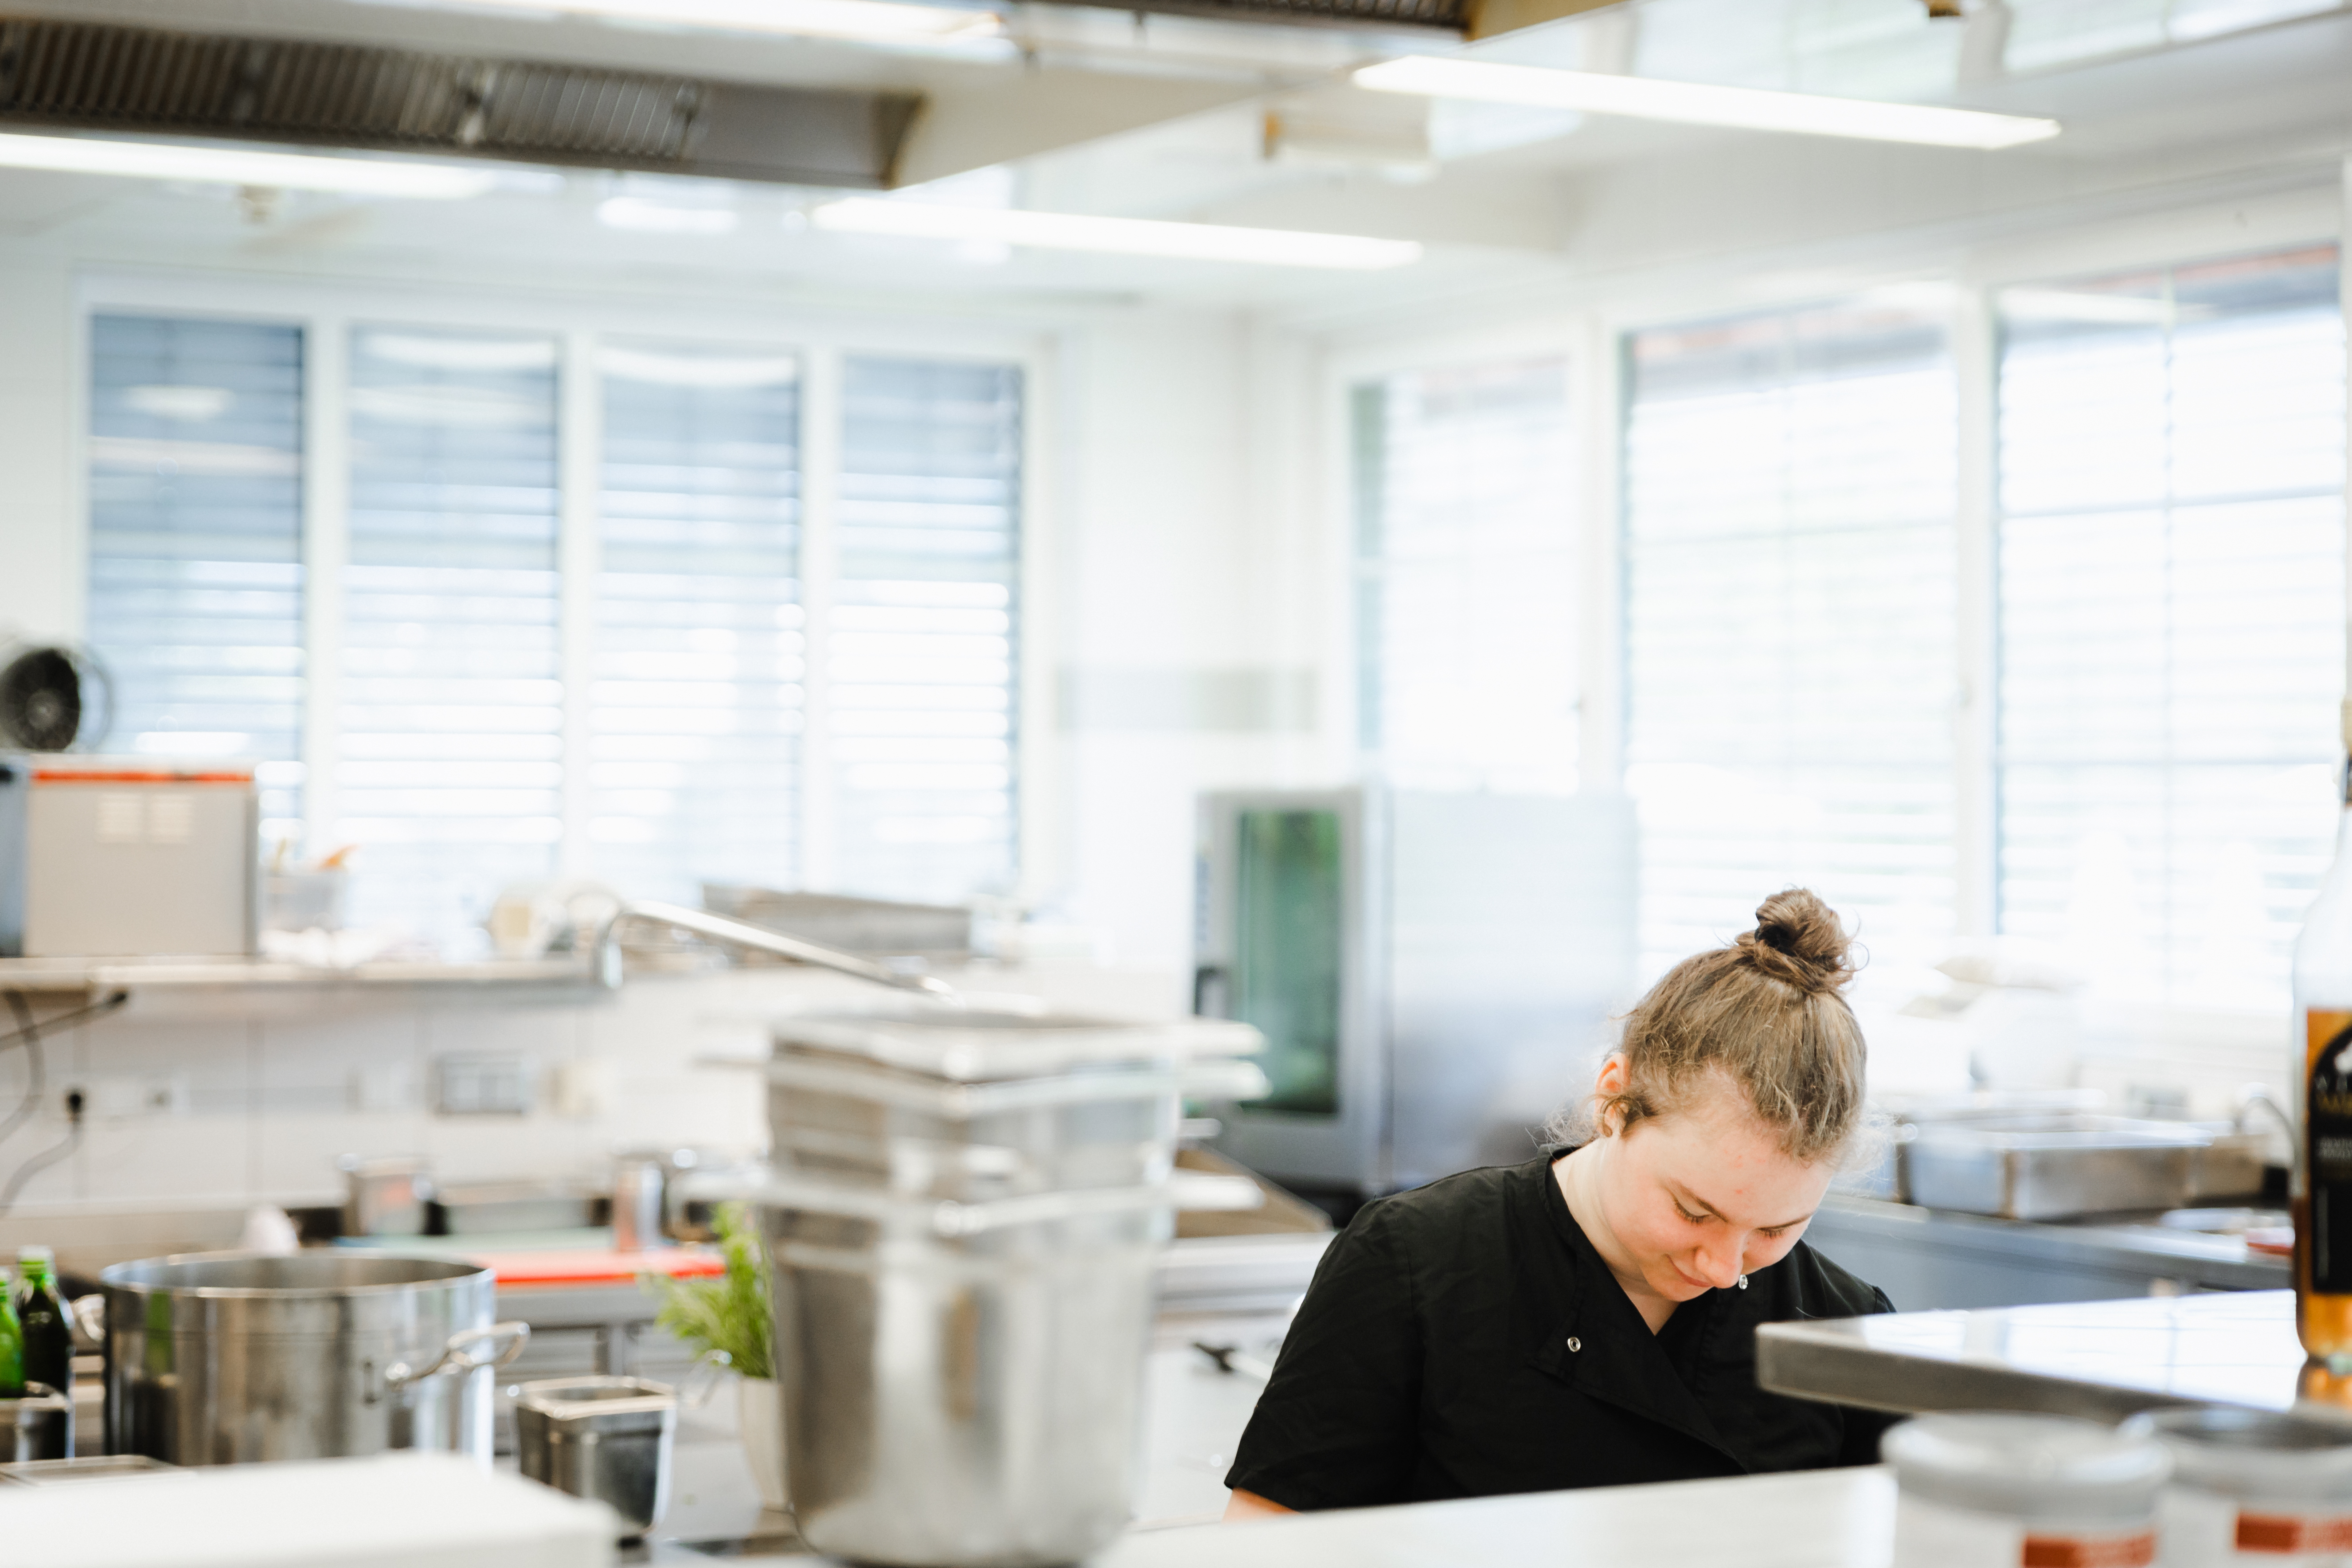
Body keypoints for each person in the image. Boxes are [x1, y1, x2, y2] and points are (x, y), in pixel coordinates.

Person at [1222, 888, 1896, 1517]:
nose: (1723, 1267)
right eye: (1694, 1211)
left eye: (1777, 1228)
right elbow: (1263, 1545)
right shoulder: (1414, 1260)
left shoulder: (1842, 1328)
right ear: (1614, 1100)